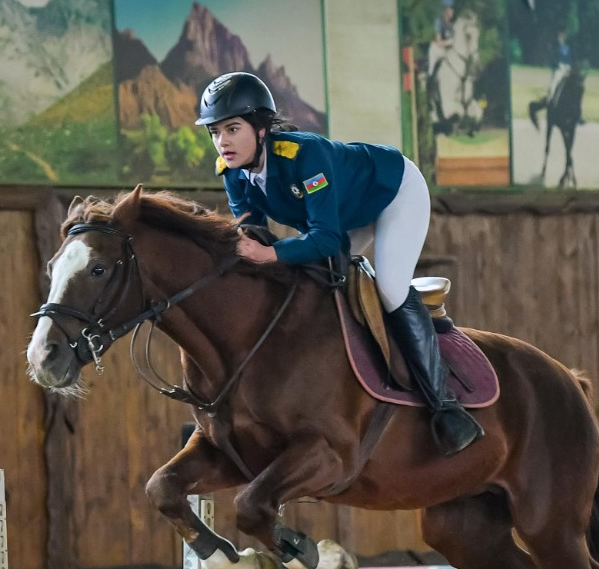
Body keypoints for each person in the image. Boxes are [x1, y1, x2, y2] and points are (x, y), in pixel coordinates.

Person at [197, 71, 484, 457]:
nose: (223, 142)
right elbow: (255, 238)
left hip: (394, 192)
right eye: (215, 132)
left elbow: (327, 239)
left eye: (232, 129)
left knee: (390, 287)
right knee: (316, 282)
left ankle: (446, 407)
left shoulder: (304, 156)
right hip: (346, 214)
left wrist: (271, 254)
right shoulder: (233, 174)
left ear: (262, 129)